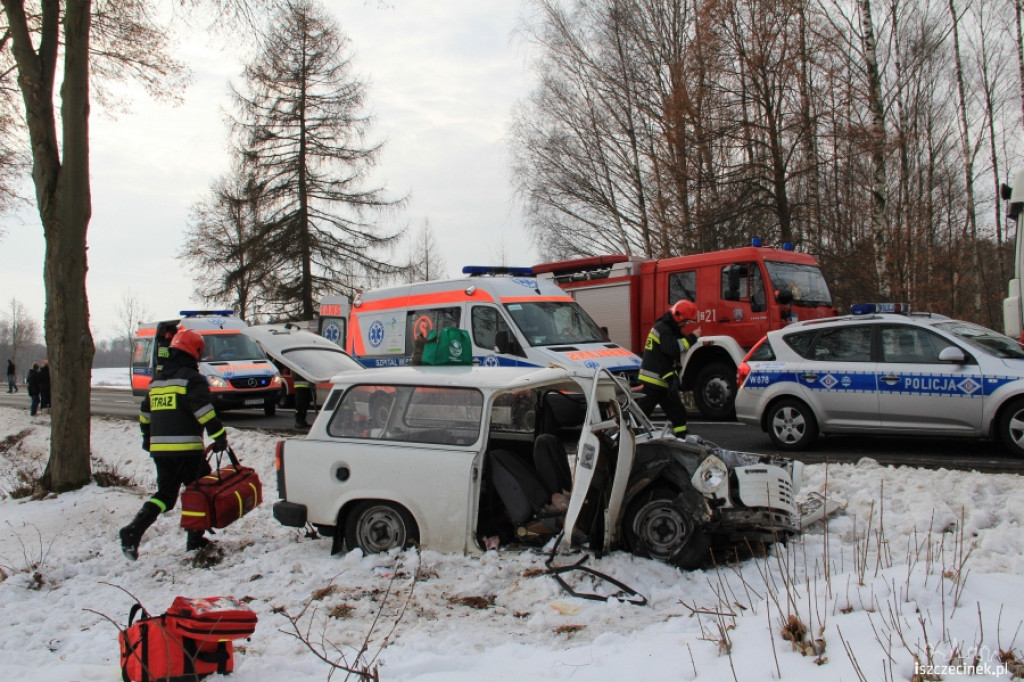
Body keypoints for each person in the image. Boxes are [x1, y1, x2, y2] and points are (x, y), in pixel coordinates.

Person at [119, 328, 229, 561]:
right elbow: (204, 412)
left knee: (166, 496)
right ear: (194, 352)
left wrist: (147, 439)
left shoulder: (157, 381)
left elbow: (145, 414)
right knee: (199, 491)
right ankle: (195, 539)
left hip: (160, 450)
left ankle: (133, 531)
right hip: (187, 449)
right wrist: (219, 436)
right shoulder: (192, 379)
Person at [636, 300, 702, 437]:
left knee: (677, 411)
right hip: (654, 380)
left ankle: (682, 436)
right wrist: (693, 337)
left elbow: (676, 343)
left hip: (661, 380)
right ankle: (628, 437)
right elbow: (673, 348)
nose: (685, 325)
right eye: (686, 321)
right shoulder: (663, 328)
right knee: (641, 413)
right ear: (678, 317)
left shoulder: (667, 328)